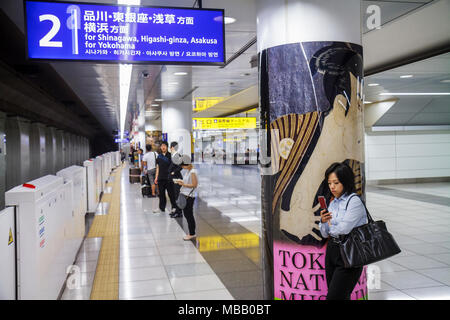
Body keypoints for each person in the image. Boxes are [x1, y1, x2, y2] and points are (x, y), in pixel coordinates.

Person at [319, 162, 368, 300]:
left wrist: (330, 226)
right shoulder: (333, 202)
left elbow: (343, 229)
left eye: (336, 182)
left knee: (335, 297)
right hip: (333, 250)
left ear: (345, 181)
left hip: (350, 252)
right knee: (340, 296)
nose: (332, 187)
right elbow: (324, 233)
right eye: (329, 183)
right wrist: (323, 222)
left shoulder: (354, 202)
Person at [175, 154, 198, 240]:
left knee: (189, 215)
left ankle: (192, 233)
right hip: (185, 194)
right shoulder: (189, 171)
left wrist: (183, 184)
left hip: (189, 196)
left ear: (187, 164)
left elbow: (194, 185)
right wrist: (182, 182)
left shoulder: (192, 172)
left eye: (183, 165)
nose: (182, 167)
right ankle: (191, 232)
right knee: (187, 215)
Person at [154, 141, 178, 214]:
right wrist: (156, 177)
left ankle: (174, 207)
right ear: (160, 147)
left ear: (167, 147)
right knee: (161, 194)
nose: (163, 147)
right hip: (161, 178)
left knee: (171, 194)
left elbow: (174, 167)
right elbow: (157, 167)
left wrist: (172, 174)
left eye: (164, 146)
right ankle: (161, 208)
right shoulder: (159, 156)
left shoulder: (171, 156)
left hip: (168, 178)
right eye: (162, 146)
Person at [168, 141, 183, 218]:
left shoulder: (177, 155)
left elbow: (180, 166)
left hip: (177, 178)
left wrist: (174, 172)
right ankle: (176, 211)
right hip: (172, 179)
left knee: (177, 196)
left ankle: (179, 212)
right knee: (174, 195)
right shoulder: (173, 155)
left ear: (172, 147)